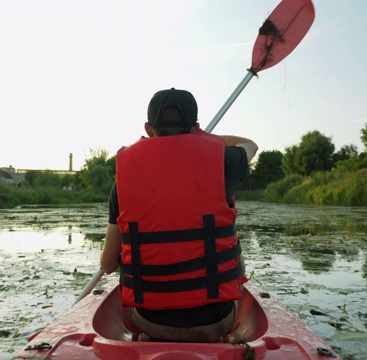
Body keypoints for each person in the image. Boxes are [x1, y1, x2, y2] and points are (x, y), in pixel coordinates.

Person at [100, 87, 258, 342]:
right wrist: (206, 139)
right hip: (217, 319)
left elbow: (107, 265)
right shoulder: (223, 161)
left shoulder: (125, 179)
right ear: (195, 126)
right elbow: (250, 145)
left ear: (148, 128)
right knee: (234, 252)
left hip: (149, 320)